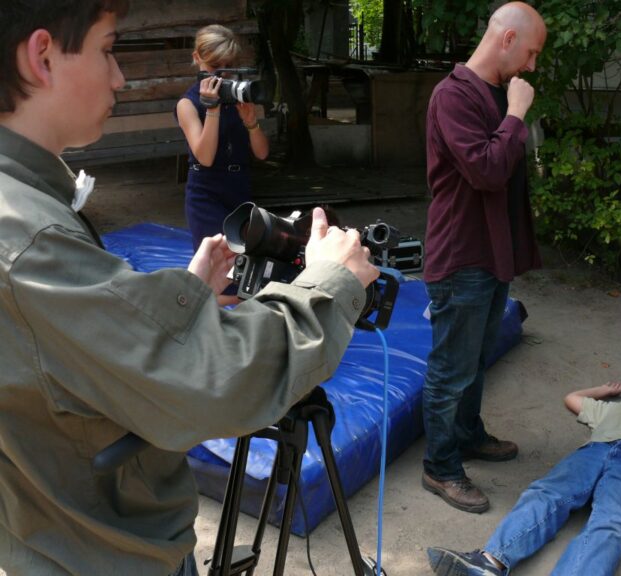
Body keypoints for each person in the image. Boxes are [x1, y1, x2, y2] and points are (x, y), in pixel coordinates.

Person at [0, 2, 379, 575]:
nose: (120, 76)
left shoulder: (22, 204)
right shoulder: (29, 239)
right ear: (43, 55)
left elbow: (60, 354)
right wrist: (331, 283)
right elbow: (214, 382)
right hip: (103, 549)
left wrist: (185, 291)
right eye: (107, 49)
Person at [421, 1, 547, 513]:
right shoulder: (452, 95)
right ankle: (440, 467)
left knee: (475, 361)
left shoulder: (495, 90)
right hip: (461, 254)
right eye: (531, 53)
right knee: (450, 370)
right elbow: (487, 171)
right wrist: (516, 115)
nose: (532, 67)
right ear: (507, 39)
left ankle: (469, 435)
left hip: (492, 253)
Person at [427, 378, 621, 576]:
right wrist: (603, 391)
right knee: (546, 493)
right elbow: (573, 398)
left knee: (611, 522)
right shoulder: (613, 411)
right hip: (593, 452)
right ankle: (489, 563)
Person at [175, 24, 270, 252]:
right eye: (215, 66)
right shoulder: (187, 104)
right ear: (197, 58)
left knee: (243, 264)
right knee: (217, 264)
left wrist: (251, 123)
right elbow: (205, 157)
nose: (222, 74)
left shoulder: (237, 95)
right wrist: (212, 108)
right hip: (206, 192)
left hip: (238, 187)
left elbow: (262, 153)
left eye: (229, 66)